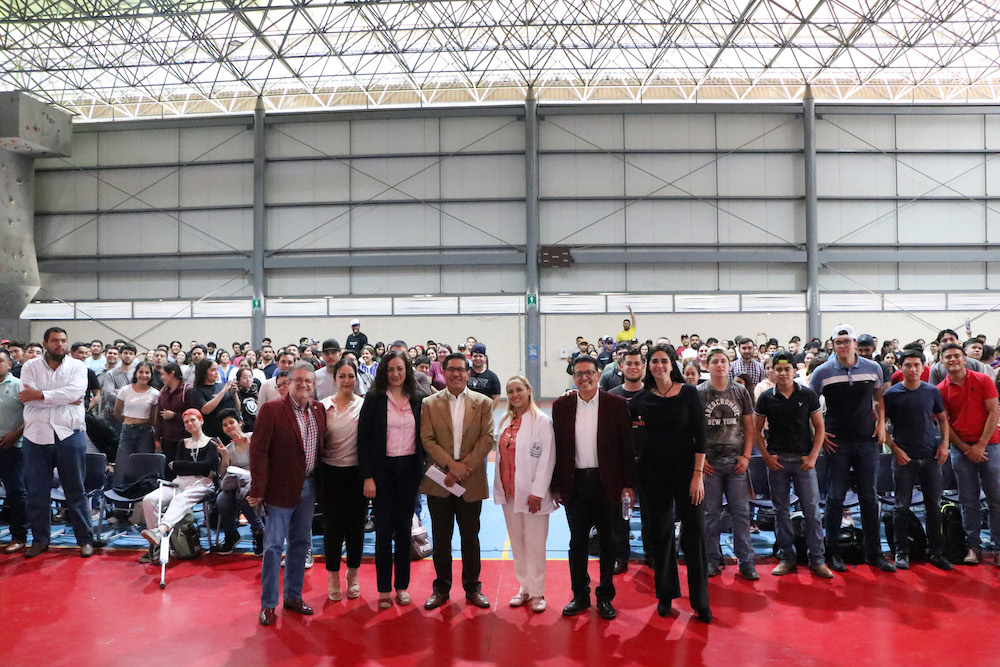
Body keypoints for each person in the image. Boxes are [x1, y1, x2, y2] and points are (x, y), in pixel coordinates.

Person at [627, 345, 710, 622]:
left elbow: (701, 436)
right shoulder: (639, 401)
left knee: (694, 534)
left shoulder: (689, 393)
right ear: (648, 366)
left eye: (664, 360)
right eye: (654, 361)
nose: (659, 365)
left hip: (687, 475)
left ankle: (701, 601)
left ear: (672, 364)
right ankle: (665, 594)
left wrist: (698, 475)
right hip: (653, 477)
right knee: (660, 535)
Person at [551, 355, 634, 621]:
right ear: (573, 377)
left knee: (609, 542)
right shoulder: (561, 406)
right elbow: (557, 450)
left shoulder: (616, 404)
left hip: (606, 483)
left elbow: (626, 448)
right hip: (575, 484)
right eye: (579, 373)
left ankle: (605, 596)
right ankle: (580, 595)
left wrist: (627, 485)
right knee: (577, 542)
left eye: (589, 372)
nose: (584, 378)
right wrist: (557, 486)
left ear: (599, 375)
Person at [809, 324, 896, 573]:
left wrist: (882, 424)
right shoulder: (822, 372)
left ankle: (874, 554)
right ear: (833, 345)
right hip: (836, 442)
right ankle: (833, 554)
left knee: (869, 497)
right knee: (835, 498)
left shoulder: (873, 368)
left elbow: (879, 398)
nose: (843, 346)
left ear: (855, 344)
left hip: (867, 440)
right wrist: (818, 433)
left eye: (847, 341)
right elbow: (809, 405)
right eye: (839, 342)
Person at [249, 362, 328, 626]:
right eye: (299, 380)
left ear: (313, 385)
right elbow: (258, 452)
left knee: (300, 544)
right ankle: (268, 604)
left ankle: (293, 596)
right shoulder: (272, 410)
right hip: (279, 489)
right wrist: (258, 489)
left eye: (308, 381)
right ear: (288, 383)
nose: (304, 385)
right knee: (273, 547)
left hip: (309, 486)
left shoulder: (318, 410)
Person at [421, 352, 496, 611]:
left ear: (468, 373)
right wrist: (450, 465)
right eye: (451, 369)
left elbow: (487, 438)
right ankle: (441, 588)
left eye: (460, 369)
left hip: (470, 480)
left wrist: (463, 468)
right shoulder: (429, 403)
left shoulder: (483, 403)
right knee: (441, 539)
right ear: (443, 372)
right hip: (439, 480)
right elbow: (427, 439)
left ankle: (473, 587)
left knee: (470, 538)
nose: (456, 374)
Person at [753, 352, 833, 578]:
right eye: (778, 369)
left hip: (804, 462)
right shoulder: (766, 397)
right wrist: (767, 457)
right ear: (772, 371)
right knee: (781, 512)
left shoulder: (807, 395)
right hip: (777, 462)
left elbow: (819, 427)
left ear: (793, 371)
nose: (782, 373)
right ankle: (786, 558)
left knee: (812, 512)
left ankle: (817, 559)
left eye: (786, 369)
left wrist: (813, 456)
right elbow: (756, 430)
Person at [19, 327, 95, 559]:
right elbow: (26, 397)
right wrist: (62, 398)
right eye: (54, 340)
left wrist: (41, 395)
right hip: (36, 435)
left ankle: (85, 540)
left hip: (69, 434)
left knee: (76, 490)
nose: (59, 344)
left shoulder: (78, 366)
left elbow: (75, 393)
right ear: (45, 343)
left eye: (63, 340)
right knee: (36, 492)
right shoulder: (30, 366)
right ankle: (40, 540)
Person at [358, 351, 425, 610]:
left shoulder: (418, 398)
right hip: (382, 472)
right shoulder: (374, 399)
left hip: (408, 472)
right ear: (383, 373)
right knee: (384, 531)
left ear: (407, 370)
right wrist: (368, 477)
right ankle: (384, 589)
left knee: (404, 531)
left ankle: (402, 587)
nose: (395, 374)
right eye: (390, 370)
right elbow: (363, 441)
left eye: (400, 369)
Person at [883, 349, 952, 571]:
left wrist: (944, 444)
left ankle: (935, 552)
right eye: (908, 365)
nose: (912, 369)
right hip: (903, 458)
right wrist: (895, 450)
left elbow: (943, 420)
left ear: (923, 368)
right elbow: (881, 426)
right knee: (901, 506)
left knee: (934, 506)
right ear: (901, 368)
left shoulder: (932, 391)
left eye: (916, 365)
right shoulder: (891, 394)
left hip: (930, 457)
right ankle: (901, 551)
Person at [494, 376, 557, 613]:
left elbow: (547, 459)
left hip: (533, 494)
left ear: (529, 390)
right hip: (510, 492)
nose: (514, 395)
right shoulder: (504, 420)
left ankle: (538, 592)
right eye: (510, 391)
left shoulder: (541, 422)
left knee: (535, 544)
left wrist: (538, 492)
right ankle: (525, 588)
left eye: (519, 389)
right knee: (518, 543)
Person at [937, 343, 1000, 566]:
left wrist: (981, 445)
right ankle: (973, 547)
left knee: (996, 499)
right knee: (968, 500)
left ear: (965, 359)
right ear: (942, 362)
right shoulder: (941, 389)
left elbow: (994, 412)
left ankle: (998, 547)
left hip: (990, 445)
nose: (953, 359)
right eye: (948, 357)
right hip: (961, 449)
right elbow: (945, 425)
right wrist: (966, 448)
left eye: (957, 355)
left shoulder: (983, 380)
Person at [697, 347, 757, 580]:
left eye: (723, 361)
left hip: (736, 463)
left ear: (729, 365)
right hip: (710, 464)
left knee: (741, 514)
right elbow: (692, 430)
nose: (720, 365)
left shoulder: (740, 392)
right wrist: (700, 461)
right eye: (715, 361)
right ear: (707, 365)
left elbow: (749, 426)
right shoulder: (699, 392)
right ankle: (712, 559)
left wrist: (746, 456)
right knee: (710, 515)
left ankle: (746, 562)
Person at [140, 409, 222, 557]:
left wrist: (181, 465)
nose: (190, 423)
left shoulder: (212, 442)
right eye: (186, 422)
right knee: (149, 499)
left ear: (201, 421)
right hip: (180, 481)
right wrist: (195, 467)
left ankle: (160, 530)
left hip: (203, 483)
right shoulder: (182, 443)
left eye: (193, 420)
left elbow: (208, 466)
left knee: (180, 499)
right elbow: (178, 467)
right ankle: (156, 546)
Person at [319, 359, 366, 602]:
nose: (347, 380)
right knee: (332, 529)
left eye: (351, 376)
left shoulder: (364, 405)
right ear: (335, 379)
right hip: (330, 475)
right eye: (342, 376)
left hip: (357, 475)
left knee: (356, 528)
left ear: (356, 379)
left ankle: (353, 575)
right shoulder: (322, 406)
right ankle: (333, 576)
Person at [608, 346, 646, 573]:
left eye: (637, 363)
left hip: (648, 463)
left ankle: (652, 553)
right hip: (620, 464)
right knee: (619, 514)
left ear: (643, 367)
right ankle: (620, 556)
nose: (633, 367)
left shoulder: (652, 394)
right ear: (621, 367)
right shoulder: (611, 396)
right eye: (628, 363)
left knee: (651, 512)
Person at [215, 409, 263, 556]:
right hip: (235, 482)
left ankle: (259, 532)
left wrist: (251, 446)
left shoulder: (253, 437)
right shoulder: (228, 448)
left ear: (240, 423)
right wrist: (224, 457)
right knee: (222, 500)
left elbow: (265, 460)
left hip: (257, 479)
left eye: (231, 422)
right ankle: (231, 535)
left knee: (243, 495)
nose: (229, 426)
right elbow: (223, 474)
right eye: (225, 425)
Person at [112, 360, 160, 486]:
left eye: (147, 373)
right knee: (122, 465)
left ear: (151, 375)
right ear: (136, 373)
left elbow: (153, 418)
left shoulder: (155, 393)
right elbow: (117, 412)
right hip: (127, 430)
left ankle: (141, 494)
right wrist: (128, 422)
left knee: (143, 465)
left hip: (145, 432)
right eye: (141, 372)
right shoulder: (125, 390)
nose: (144, 375)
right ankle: (118, 493)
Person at [0, 348, 27, 553]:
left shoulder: (19, 385)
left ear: (10, 365)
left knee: (16, 493)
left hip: (13, 447)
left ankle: (19, 536)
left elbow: (31, 415)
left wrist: (15, 435)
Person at [190, 359, 237, 443]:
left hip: (229, 429)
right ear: (204, 372)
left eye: (217, 370)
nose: (216, 373)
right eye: (212, 370)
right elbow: (205, 409)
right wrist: (223, 391)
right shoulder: (197, 390)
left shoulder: (221, 385)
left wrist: (234, 394)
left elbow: (236, 407)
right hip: (212, 431)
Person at [467, 342, 501, 407]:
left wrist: (489, 411)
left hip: (485, 411)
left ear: (485, 358)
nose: (478, 358)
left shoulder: (492, 377)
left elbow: (496, 397)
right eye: (475, 356)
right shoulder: (465, 374)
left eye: (480, 356)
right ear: (471, 357)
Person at [231, 367, 260, 432]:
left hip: (258, 425)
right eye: (245, 378)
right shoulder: (236, 392)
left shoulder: (256, 391)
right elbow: (239, 409)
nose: (248, 380)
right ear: (238, 380)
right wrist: (235, 394)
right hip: (245, 427)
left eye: (250, 377)